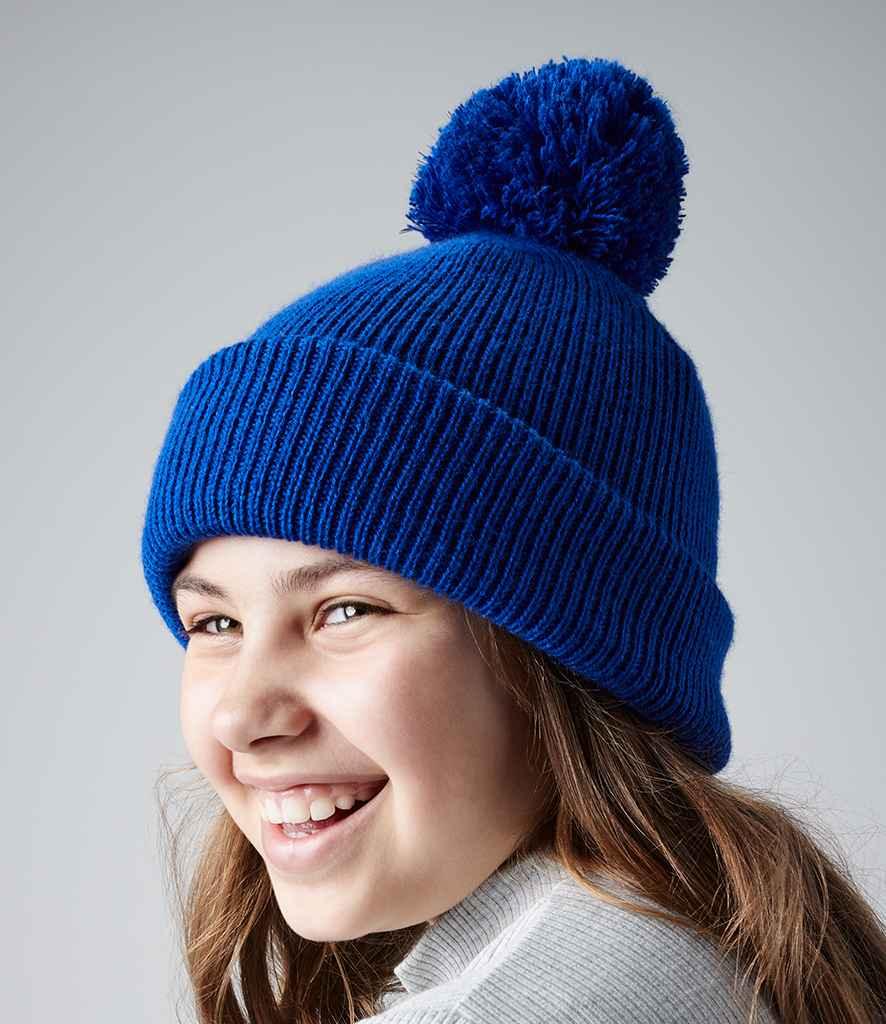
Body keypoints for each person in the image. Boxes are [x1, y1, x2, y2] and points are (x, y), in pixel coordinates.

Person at [141, 55, 886, 1024]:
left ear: (567, 646)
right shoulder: (720, 951)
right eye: (215, 624)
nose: (244, 717)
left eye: (345, 610)